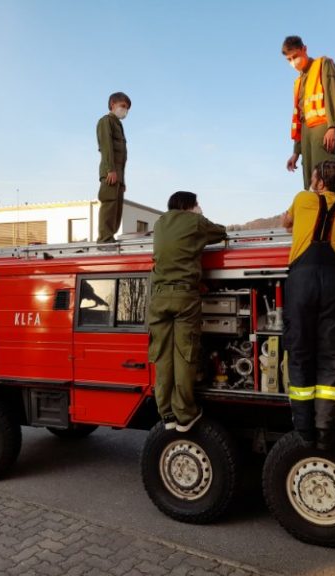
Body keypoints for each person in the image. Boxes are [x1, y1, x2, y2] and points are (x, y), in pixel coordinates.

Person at [280, 160, 335, 449]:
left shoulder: (302, 198)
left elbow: (285, 224)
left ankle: (304, 430)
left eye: (313, 176)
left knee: (300, 349)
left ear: (320, 183)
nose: (310, 179)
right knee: (331, 352)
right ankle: (325, 428)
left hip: (302, 280)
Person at [148, 192, 227, 432]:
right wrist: (199, 217)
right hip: (184, 297)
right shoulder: (194, 222)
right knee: (184, 355)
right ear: (188, 206)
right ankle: (185, 414)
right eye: (197, 204)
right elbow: (221, 232)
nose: (200, 207)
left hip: (158, 298)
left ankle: (166, 413)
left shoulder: (159, 223)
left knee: (163, 357)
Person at [282, 35, 335, 190]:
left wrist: (333, 127)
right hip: (305, 133)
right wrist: (296, 151)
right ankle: (313, 212)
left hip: (322, 127)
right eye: (289, 59)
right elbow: (299, 116)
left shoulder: (323, 64)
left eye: (295, 56)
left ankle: (328, 212)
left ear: (304, 49)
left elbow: (332, 94)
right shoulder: (298, 83)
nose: (293, 62)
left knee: (324, 175)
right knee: (309, 180)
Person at [96, 92, 131, 244]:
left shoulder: (118, 124)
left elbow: (122, 157)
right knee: (109, 204)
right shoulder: (106, 121)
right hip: (111, 171)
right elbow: (106, 146)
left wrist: (122, 181)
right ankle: (104, 239)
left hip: (118, 174)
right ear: (112, 104)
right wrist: (110, 169)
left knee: (117, 207)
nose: (125, 110)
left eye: (127, 108)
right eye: (123, 106)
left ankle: (110, 237)